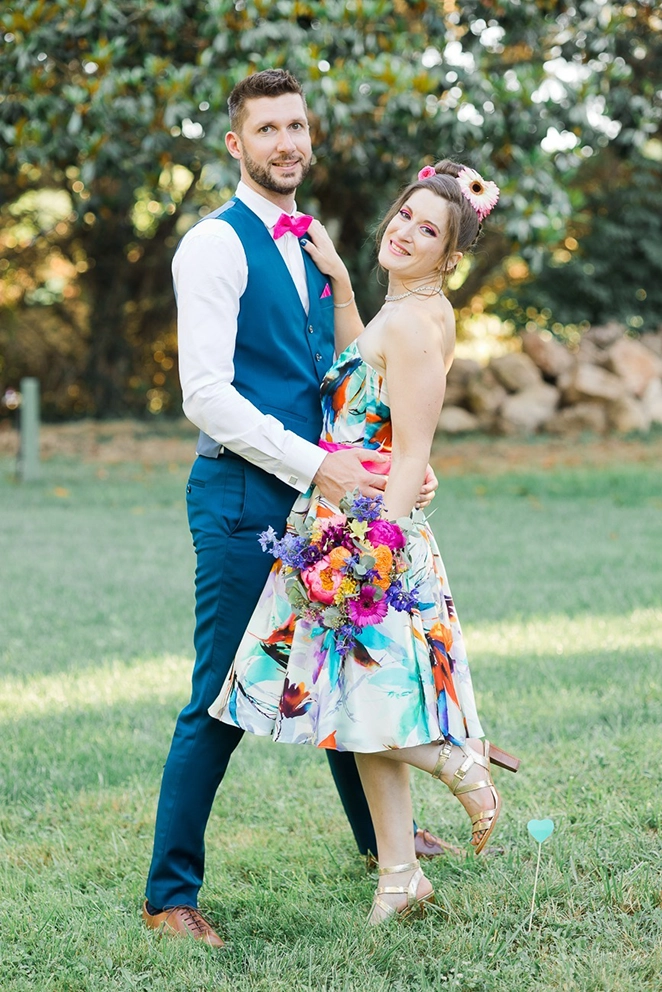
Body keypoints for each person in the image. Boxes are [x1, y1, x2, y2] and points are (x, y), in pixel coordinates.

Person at [143, 68, 447, 947]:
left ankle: (381, 846)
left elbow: (339, 382)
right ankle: (169, 895)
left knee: (348, 669)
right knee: (218, 698)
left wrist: (390, 467)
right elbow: (205, 394)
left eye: (298, 126)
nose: (288, 143)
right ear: (237, 145)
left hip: (325, 496)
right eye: (268, 129)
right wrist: (322, 465)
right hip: (243, 496)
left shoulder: (314, 246)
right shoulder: (212, 245)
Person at [209, 158, 521, 924]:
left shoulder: (416, 322)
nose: (405, 232)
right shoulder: (407, 312)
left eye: (428, 230)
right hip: (350, 514)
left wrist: (373, 547)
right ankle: (400, 877)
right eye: (404, 216)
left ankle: (458, 762)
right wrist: (345, 289)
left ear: (450, 256)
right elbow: (362, 365)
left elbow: (412, 450)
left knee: (358, 706)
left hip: (369, 532)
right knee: (356, 709)